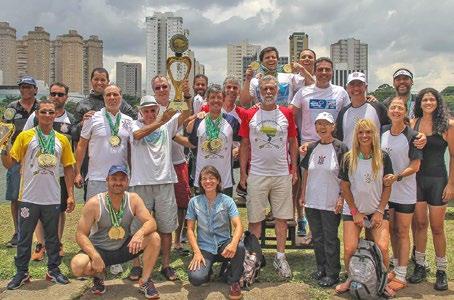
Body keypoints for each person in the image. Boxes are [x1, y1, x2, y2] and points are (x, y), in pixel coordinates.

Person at [1, 99, 75, 290]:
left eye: (51, 112)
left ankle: (53, 270)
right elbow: (10, 164)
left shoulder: (63, 139)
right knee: (25, 238)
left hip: (52, 198)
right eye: (44, 112)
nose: (48, 115)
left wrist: (71, 195)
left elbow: (68, 168)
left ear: (55, 115)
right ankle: (21, 273)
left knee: (52, 238)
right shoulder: (25, 136)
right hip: (28, 198)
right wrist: (3, 149)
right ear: (37, 114)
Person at [70, 165, 161, 298]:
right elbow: (80, 234)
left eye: (122, 179)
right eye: (114, 179)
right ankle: (98, 275)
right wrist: (95, 256)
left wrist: (139, 233)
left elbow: (151, 222)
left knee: (154, 237)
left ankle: (145, 281)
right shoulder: (94, 203)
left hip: (124, 247)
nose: (118, 183)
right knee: (77, 266)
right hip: (100, 249)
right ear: (107, 180)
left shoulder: (133, 199)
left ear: (127, 181)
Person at [239, 75, 298, 279]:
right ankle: (253, 258)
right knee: (255, 218)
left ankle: (280, 257)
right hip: (257, 172)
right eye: (265, 89)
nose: (269, 92)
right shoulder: (250, 114)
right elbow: (245, 144)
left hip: (282, 173)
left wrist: (295, 169)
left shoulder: (287, 113)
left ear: (278, 91)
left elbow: (292, 142)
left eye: (272, 88)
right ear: (259, 92)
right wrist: (243, 173)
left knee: (281, 218)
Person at [128, 95, 191, 281]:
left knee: (166, 228)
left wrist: (186, 95)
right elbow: (137, 136)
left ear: (157, 109)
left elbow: (185, 114)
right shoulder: (134, 124)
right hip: (141, 183)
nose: (149, 113)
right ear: (141, 112)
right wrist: (160, 121)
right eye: (146, 110)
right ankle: (136, 265)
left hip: (164, 182)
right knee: (138, 228)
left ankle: (165, 264)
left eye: (152, 110)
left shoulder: (167, 124)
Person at [335, 119, 394, 295]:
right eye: (361, 132)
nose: (364, 136)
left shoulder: (383, 157)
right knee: (350, 248)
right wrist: (355, 212)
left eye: (368, 132)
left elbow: (387, 186)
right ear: (356, 135)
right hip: (353, 210)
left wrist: (379, 211)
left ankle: (382, 283)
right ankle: (351, 279)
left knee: (382, 247)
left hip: (377, 209)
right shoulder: (348, 158)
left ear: (373, 134)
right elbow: (344, 187)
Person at [22, 82, 75, 261]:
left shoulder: (71, 119)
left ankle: (57, 243)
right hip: (37, 173)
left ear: (66, 97)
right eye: (54, 93)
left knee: (59, 210)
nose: (57, 97)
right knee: (37, 209)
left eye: (61, 94)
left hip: (59, 174)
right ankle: (40, 243)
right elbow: (24, 142)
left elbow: (73, 149)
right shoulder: (34, 117)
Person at [409, 88, 454, 291]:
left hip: (438, 179)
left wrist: (451, 184)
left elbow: (453, 156)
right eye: (424, 99)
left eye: (432, 99)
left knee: (437, 227)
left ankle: (442, 270)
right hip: (417, 180)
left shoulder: (448, 125)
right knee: (419, 224)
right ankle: (420, 265)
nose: (428, 102)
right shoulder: (413, 123)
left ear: (437, 102)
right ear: (419, 102)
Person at [73, 68, 137, 201]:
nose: (112, 98)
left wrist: (133, 173)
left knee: (120, 217)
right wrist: (77, 172)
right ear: (104, 98)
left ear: (121, 97)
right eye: (108, 95)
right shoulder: (91, 118)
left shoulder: (129, 120)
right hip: (97, 177)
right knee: (94, 217)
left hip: (121, 177)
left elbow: (131, 150)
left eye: (115, 95)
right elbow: (81, 146)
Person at [151, 75, 193, 276]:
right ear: (153, 90)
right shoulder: (149, 109)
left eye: (165, 86)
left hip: (177, 161)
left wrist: (186, 95)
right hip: (157, 165)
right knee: (155, 206)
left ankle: (177, 240)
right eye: (158, 87)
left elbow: (186, 118)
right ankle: (157, 240)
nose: (161, 90)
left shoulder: (177, 106)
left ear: (170, 88)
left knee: (182, 203)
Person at [300, 112, 348, 287]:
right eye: (319, 124)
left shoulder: (341, 148)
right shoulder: (312, 147)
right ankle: (321, 268)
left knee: (330, 238)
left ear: (333, 126)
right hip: (312, 201)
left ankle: (333, 272)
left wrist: (341, 198)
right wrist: (303, 194)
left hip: (330, 202)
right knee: (317, 237)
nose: (322, 127)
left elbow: (345, 176)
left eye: (326, 124)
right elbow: (306, 172)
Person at [380, 96, 422, 292]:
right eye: (393, 107)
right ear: (388, 110)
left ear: (405, 112)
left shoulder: (413, 136)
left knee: (403, 232)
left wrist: (396, 177)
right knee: (391, 232)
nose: (396, 110)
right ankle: (396, 268)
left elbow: (415, 165)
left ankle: (402, 274)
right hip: (386, 194)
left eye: (400, 108)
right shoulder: (381, 132)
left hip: (405, 192)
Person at [187, 165, 244, 300]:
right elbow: (189, 229)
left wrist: (233, 243)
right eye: (204, 179)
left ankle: (234, 281)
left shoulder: (227, 200)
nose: (208, 181)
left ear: (218, 180)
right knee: (196, 279)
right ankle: (208, 270)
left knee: (240, 246)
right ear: (200, 182)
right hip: (205, 248)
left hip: (224, 246)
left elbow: (238, 225)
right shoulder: (194, 202)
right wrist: (196, 252)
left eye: (211, 178)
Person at [2, 75, 40, 248]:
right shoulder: (11, 108)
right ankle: (18, 233)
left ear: (35, 89)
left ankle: (38, 235)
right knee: (15, 195)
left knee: (38, 196)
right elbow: (3, 131)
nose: (25, 89)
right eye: (22, 87)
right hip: (17, 156)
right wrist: (4, 151)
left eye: (28, 87)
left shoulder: (42, 107)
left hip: (38, 157)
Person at [187, 84, 240, 197]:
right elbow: (192, 144)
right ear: (207, 100)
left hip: (224, 180)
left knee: (223, 213)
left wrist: (237, 149)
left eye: (219, 97)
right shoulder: (199, 120)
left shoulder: (232, 121)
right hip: (202, 180)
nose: (216, 100)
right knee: (201, 213)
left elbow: (242, 141)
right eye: (212, 97)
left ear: (224, 99)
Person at [335, 72, 389, 149]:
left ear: (366, 87)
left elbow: (390, 131)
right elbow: (339, 137)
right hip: (349, 159)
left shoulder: (378, 108)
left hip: (373, 158)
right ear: (347, 88)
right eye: (352, 84)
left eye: (359, 84)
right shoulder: (343, 112)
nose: (356, 88)